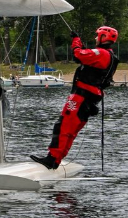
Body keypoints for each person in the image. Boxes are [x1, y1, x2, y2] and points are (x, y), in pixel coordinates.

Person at [31, 26, 120, 170]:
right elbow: (88, 58)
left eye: (98, 36)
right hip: (88, 99)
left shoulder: (101, 53)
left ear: (104, 38)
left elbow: (78, 55)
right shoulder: (109, 55)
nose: (96, 38)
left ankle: (52, 159)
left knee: (63, 127)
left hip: (80, 98)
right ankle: (56, 158)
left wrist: (76, 40)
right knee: (70, 131)